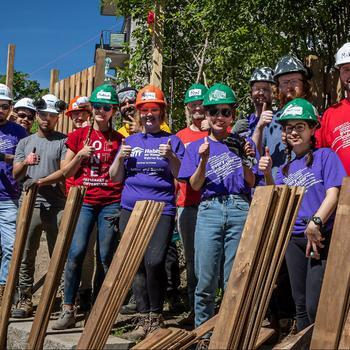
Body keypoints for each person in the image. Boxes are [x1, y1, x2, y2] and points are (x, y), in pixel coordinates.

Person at [178, 84, 257, 344]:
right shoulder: (196, 147)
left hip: (238, 207)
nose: (219, 117)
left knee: (234, 277)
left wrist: (245, 158)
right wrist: (202, 161)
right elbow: (195, 185)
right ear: (206, 116)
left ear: (233, 114)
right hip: (209, 210)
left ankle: (230, 333)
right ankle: (204, 336)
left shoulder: (242, 143)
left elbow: (251, 181)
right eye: (213, 112)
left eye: (225, 111)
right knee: (205, 278)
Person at [259, 98, 346, 331]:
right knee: (299, 304)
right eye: (289, 128)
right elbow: (277, 197)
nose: (294, 132)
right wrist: (268, 173)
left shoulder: (325, 156)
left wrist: (316, 221)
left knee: (314, 304)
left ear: (312, 129)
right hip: (294, 240)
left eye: (300, 127)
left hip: (318, 237)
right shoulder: (285, 169)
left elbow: (334, 194)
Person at [109, 84, 185, 341]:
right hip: (130, 208)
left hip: (161, 208)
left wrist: (172, 156)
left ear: (161, 113)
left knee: (154, 260)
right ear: (138, 114)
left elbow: (180, 174)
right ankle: (144, 317)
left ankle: (156, 313)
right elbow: (115, 177)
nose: (149, 114)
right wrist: (120, 157)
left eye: (154, 110)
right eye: (145, 110)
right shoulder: (129, 141)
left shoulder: (172, 140)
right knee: (135, 263)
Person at [51, 84, 123, 329]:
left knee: (105, 256)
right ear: (91, 109)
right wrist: (81, 154)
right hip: (84, 201)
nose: (102, 111)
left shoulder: (118, 139)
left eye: (107, 107)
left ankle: (97, 309)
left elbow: (120, 176)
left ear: (113, 111)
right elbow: (65, 171)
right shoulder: (78, 137)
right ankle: (68, 308)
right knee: (76, 252)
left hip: (111, 202)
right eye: (98, 106)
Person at [12, 94, 67, 318]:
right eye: (43, 115)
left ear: (57, 117)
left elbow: (64, 170)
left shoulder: (63, 141)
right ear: (37, 116)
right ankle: (24, 299)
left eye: (51, 116)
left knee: (60, 253)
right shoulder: (25, 143)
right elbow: (16, 175)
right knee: (26, 253)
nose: (47, 119)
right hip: (31, 205)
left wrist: (42, 181)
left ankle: (62, 298)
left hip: (57, 204)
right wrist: (26, 162)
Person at [176, 83, 209, 324]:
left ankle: (212, 307)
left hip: (211, 203)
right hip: (186, 203)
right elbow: (173, 173)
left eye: (201, 103)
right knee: (191, 258)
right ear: (187, 107)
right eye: (193, 103)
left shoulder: (218, 131)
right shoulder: (180, 137)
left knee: (212, 258)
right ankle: (194, 309)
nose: (197, 107)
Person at [253, 55, 311, 177]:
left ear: (304, 85)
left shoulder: (314, 118)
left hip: (308, 188)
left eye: (294, 81)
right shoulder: (270, 121)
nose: (289, 86)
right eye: (284, 82)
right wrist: (259, 127)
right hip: (276, 189)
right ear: (277, 88)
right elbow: (253, 158)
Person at [64, 95, 95, 312]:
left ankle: (85, 291)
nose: (77, 117)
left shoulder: (96, 135)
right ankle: (70, 296)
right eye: (74, 113)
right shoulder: (71, 138)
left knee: (88, 250)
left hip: (91, 197)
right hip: (71, 197)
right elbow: (64, 169)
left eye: (82, 112)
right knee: (73, 250)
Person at [0, 84, 27, 305]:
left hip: (8, 197)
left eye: (4, 106)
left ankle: (5, 290)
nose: (0, 109)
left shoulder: (19, 132)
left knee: (10, 246)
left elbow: (24, 160)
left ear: (10, 108)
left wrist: (6, 158)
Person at [316, 42, 350, 174]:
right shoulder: (331, 114)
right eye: (346, 69)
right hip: (344, 192)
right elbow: (318, 156)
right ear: (340, 73)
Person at [233, 67, 275, 138]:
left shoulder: (280, 120)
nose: (261, 93)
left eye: (265, 89)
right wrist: (232, 134)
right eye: (257, 89)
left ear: (273, 93)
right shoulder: (246, 123)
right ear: (251, 93)